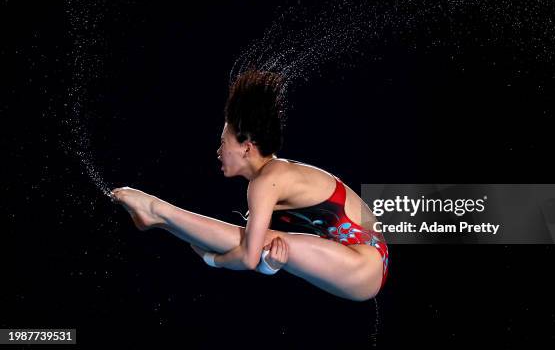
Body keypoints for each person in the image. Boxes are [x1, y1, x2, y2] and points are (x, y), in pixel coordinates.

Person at [111, 69, 389, 301]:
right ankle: (159, 219)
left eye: (223, 142)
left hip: (364, 264)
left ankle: (158, 210)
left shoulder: (268, 180)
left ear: (246, 147)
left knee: (252, 241)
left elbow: (247, 257)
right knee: (262, 240)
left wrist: (212, 259)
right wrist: (269, 265)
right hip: (357, 261)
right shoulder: (272, 176)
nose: (218, 151)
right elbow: (261, 256)